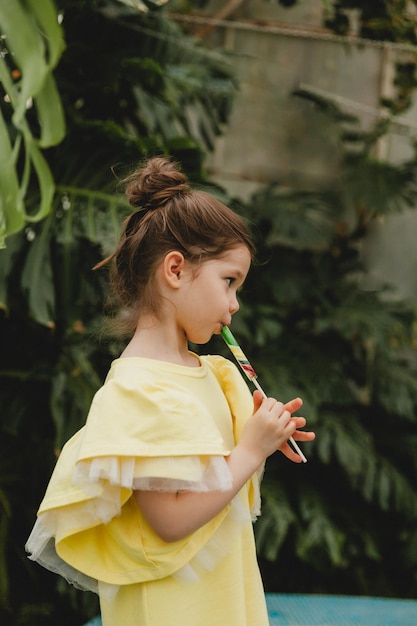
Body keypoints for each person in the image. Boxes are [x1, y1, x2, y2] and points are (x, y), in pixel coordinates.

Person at [25, 156, 315, 626]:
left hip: (219, 597)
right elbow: (169, 523)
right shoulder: (140, 389)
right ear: (176, 270)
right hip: (173, 610)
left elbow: (216, 472)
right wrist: (250, 450)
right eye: (229, 282)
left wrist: (261, 437)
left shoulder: (207, 373)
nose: (234, 304)